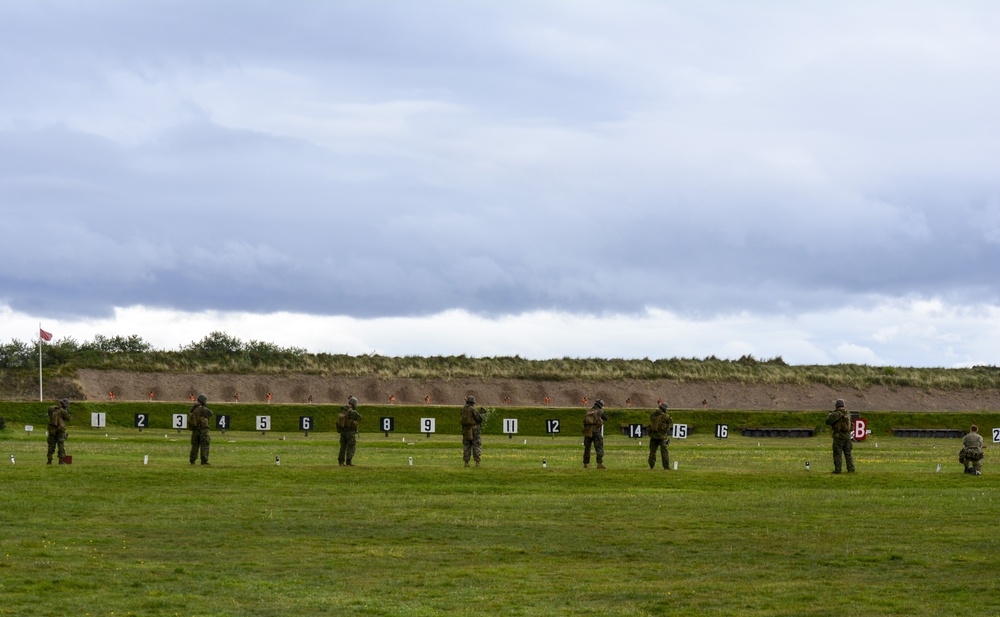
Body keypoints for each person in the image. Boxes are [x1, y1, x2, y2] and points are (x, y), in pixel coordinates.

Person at [825, 399, 854, 473]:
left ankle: (838, 469)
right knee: (848, 453)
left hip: (839, 437)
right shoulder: (848, 413)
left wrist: (829, 415)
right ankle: (851, 468)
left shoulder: (836, 414)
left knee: (837, 453)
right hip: (847, 436)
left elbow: (827, 421)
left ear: (836, 406)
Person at [583, 399, 609, 469]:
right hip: (596, 431)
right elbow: (606, 418)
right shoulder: (600, 411)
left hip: (587, 431)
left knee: (587, 448)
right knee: (599, 447)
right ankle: (599, 463)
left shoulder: (588, 411)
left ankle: (586, 464)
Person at [337, 396, 362, 466]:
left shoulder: (343, 409)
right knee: (351, 446)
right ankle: (349, 461)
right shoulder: (352, 411)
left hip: (343, 431)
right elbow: (359, 418)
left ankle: (341, 462)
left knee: (343, 447)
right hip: (350, 432)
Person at [188, 394, 213, 465]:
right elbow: (210, 413)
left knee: (195, 445)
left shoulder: (193, 408)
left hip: (195, 429)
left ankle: (192, 460)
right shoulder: (203, 409)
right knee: (205, 445)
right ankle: (204, 460)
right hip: (203, 430)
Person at [460, 395, 484, 468]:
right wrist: (481, 414)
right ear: (473, 402)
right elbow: (479, 419)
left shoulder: (463, 409)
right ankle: (477, 462)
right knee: (476, 445)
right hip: (474, 430)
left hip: (466, 430)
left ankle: (466, 462)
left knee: (467, 446)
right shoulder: (473, 409)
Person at [648, 402, 673, 470]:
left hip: (653, 436)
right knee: (664, 452)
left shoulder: (653, 415)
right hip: (662, 437)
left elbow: (651, 419)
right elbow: (670, 421)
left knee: (652, 451)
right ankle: (666, 466)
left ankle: (651, 466)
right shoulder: (665, 416)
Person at [46, 398, 71, 464]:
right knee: (61, 445)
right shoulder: (63, 411)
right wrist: (67, 411)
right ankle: (61, 460)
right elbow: (68, 418)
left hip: (51, 429)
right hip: (60, 430)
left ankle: (49, 460)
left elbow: (49, 414)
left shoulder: (51, 408)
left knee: (51, 445)